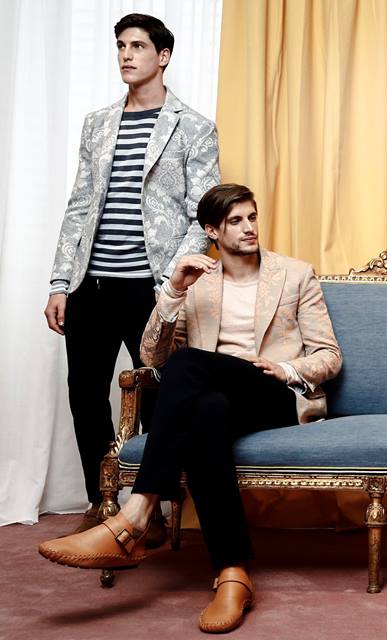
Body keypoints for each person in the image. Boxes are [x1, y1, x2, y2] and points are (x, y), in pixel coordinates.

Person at [38, 183, 342, 633]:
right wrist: (174, 291)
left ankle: (135, 514)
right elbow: (151, 357)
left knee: (187, 367)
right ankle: (233, 573)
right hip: (217, 397)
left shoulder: (295, 274)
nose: (249, 228)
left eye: (252, 217)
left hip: (271, 391)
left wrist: (284, 368)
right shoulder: (196, 284)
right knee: (206, 411)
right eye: (235, 221)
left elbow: (329, 356)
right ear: (211, 231)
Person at [42, 13, 220, 535]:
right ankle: (102, 500)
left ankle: (153, 507)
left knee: (159, 395)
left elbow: (203, 214)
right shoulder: (97, 123)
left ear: (162, 57)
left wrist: (171, 284)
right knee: (84, 392)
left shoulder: (194, 127)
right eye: (121, 45)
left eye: (138, 46)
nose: (126, 54)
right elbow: (79, 206)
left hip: (151, 288)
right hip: (91, 284)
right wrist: (60, 282)